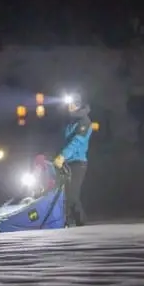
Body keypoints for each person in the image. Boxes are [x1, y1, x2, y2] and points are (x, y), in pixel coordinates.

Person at [53, 94, 92, 227]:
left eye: (73, 104)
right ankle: (65, 222)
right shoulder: (70, 121)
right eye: (69, 104)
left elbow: (76, 142)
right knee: (62, 194)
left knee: (72, 195)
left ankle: (81, 222)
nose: (70, 107)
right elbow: (62, 140)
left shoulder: (84, 122)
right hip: (66, 162)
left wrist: (63, 155)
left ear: (79, 105)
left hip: (78, 163)